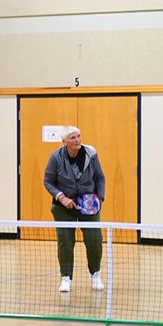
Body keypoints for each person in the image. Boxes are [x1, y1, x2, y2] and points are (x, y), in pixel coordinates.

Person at [43, 125, 106, 292]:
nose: (78, 140)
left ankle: (96, 275)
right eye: (73, 138)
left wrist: (99, 199)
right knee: (65, 241)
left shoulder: (90, 154)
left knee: (94, 240)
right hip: (64, 207)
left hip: (89, 206)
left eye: (79, 136)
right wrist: (61, 197)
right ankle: (66, 278)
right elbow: (48, 181)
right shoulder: (56, 157)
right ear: (65, 142)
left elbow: (100, 178)